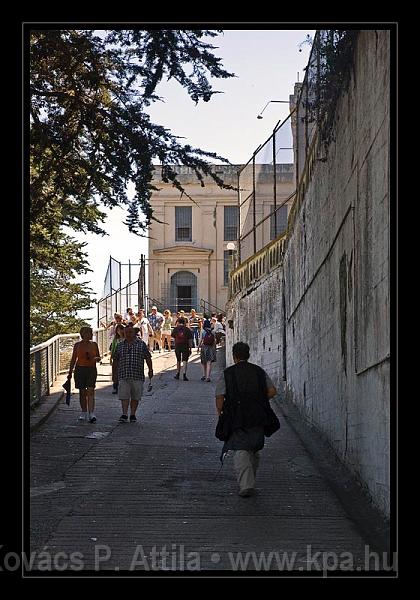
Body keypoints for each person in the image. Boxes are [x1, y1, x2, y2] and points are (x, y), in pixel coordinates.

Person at [215, 342, 278, 497]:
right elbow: (272, 391)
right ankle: (249, 481)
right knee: (254, 447)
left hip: (236, 416)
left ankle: (246, 485)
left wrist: (221, 413)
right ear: (248, 355)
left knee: (240, 449)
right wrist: (259, 400)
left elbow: (220, 396)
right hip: (258, 415)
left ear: (234, 356)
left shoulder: (228, 373)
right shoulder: (258, 371)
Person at [112, 324, 153, 423]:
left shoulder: (141, 344)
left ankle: (133, 414)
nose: (128, 334)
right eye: (126, 332)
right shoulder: (120, 345)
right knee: (124, 395)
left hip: (137, 374)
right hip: (124, 374)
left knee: (135, 396)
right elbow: (116, 360)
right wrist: (114, 374)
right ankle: (124, 414)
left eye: (130, 332)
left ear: (134, 333)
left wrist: (150, 369)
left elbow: (147, 357)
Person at [67, 326, 101, 423]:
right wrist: (70, 371)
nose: (90, 335)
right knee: (82, 392)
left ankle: (91, 413)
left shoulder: (94, 345)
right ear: (83, 335)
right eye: (88, 333)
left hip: (91, 369)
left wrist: (96, 359)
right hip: (80, 369)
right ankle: (83, 412)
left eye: (91, 333)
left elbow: (99, 357)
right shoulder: (77, 345)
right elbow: (74, 359)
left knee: (90, 390)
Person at [110, 323, 125, 394]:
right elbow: (113, 348)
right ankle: (115, 387)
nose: (119, 331)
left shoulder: (126, 338)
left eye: (121, 330)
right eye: (118, 330)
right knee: (115, 372)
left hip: (124, 357)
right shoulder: (116, 339)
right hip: (116, 357)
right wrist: (111, 357)